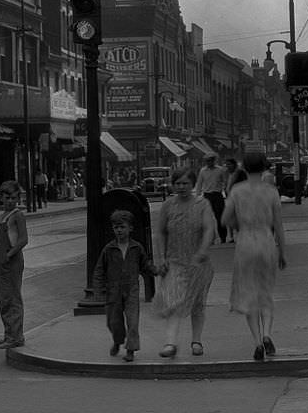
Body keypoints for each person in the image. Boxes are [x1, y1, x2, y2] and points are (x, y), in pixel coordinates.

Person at [223, 145, 287, 360]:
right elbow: (279, 226)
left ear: (244, 166)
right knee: (266, 292)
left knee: (250, 295)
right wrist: (283, 252)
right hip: (266, 242)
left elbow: (225, 219)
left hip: (246, 243)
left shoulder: (237, 191)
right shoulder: (271, 191)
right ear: (264, 167)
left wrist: (238, 224)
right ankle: (268, 333)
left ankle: (257, 341)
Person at [152, 167, 215, 358]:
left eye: (185, 183)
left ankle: (196, 341)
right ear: (173, 185)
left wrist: (203, 251)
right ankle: (170, 343)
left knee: (198, 303)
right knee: (173, 302)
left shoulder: (202, 204)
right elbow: (160, 232)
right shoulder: (168, 206)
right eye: (177, 183)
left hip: (198, 264)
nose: (181, 187)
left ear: (193, 184)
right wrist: (161, 258)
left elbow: (209, 230)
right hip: (174, 262)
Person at [92, 209, 156, 362]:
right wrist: (98, 290)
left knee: (133, 321)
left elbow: (145, 265)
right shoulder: (109, 249)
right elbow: (99, 270)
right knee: (114, 322)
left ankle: (131, 349)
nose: (119, 230)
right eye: (116, 227)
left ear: (130, 228)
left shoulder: (137, 248)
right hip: (113, 291)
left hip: (132, 290)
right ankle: (118, 341)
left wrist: (157, 270)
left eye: (122, 227)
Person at [0, 180, 28, 349]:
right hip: (0, 262)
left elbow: (23, 239)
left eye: (13, 197)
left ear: (18, 198)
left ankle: (16, 336)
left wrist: (9, 255)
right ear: (1, 198)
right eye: (7, 197)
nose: (10, 201)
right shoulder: (3, 215)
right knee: (1, 300)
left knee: (11, 299)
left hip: (10, 262)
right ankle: (9, 333)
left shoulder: (17, 215)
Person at [194, 152, 228, 243]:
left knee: (220, 217)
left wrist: (224, 190)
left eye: (210, 160)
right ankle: (210, 238)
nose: (208, 162)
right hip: (207, 196)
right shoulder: (203, 171)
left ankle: (223, 237)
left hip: (217, 195)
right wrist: (197, 197)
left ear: (214, 161)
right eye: (207, 161)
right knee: (207, 218)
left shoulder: (220, 170)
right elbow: (199, 184)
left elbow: (225, 181)